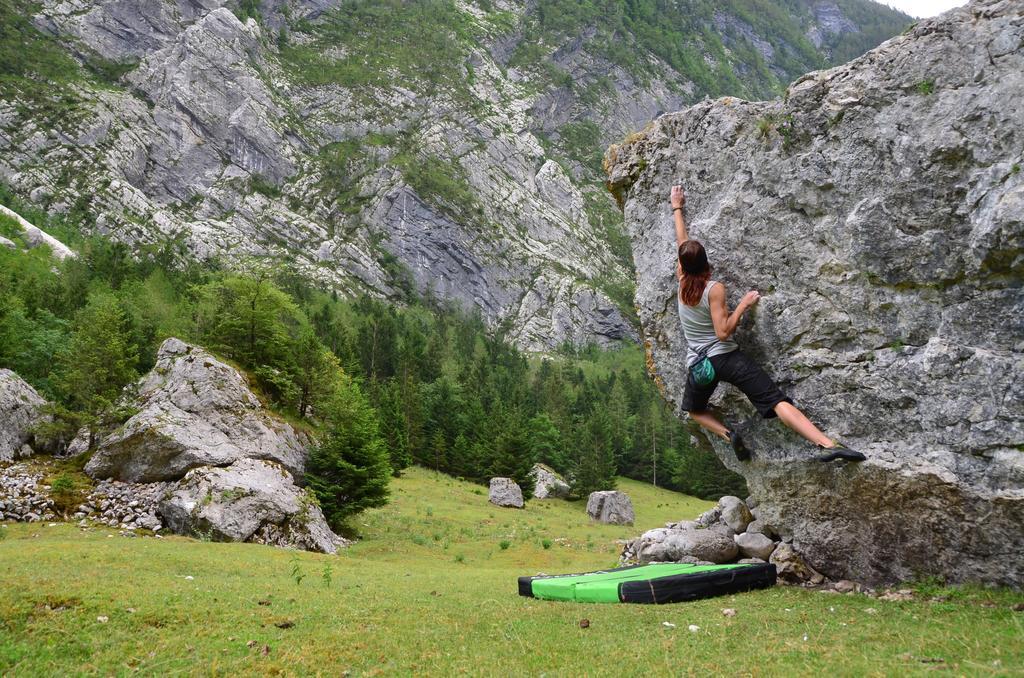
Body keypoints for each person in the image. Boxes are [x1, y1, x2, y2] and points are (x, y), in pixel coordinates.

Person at [670, 185, 864, 463]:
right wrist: (743, 306)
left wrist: (677, 207)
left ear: (683, 265)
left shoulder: (681, 282)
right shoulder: (713, 289)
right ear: (706, 263)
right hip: (726, 358)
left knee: (695, 410)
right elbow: (723, 332)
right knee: (775, 400)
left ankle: (729, 434)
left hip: (700, 366)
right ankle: (826, 444)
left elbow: (682, 243)